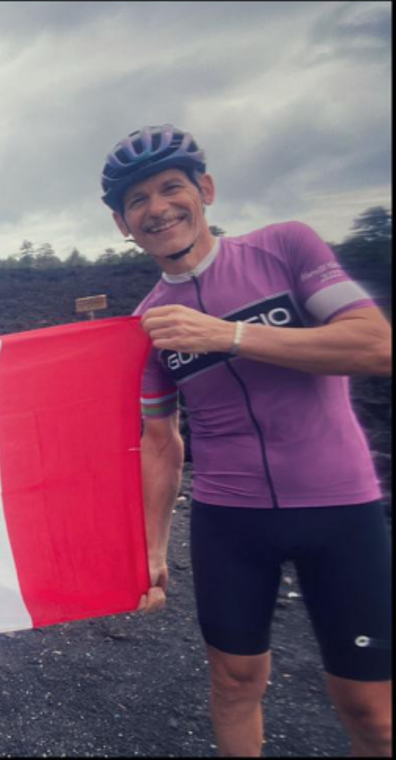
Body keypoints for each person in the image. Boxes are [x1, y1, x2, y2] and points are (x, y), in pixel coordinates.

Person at [101, 124, 393, 757]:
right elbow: (160, 441)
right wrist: (151, 548)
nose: (157, 208)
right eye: (137, 201)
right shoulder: (147, 324)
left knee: (371, 711)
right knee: (234, 684)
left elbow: (376, 345)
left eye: (171, 188)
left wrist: (228, 336)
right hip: (230, 519)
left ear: (205, 190)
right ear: (124, 225)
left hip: (341, 509)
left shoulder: (285, 247)